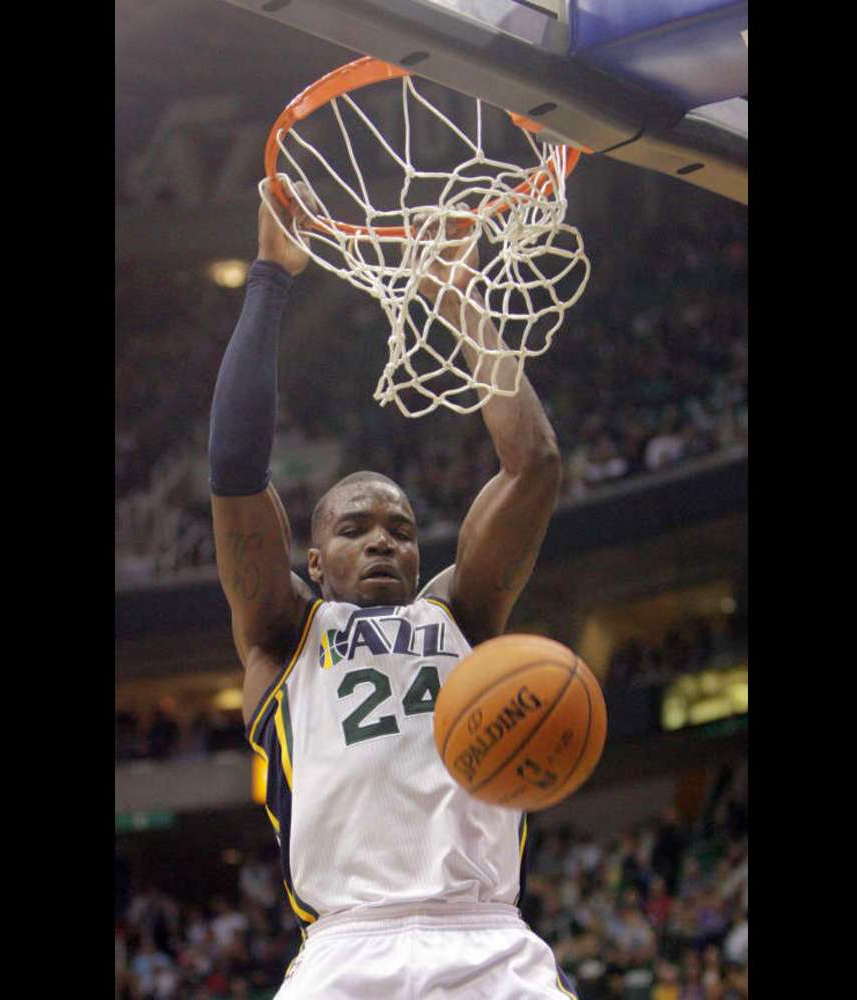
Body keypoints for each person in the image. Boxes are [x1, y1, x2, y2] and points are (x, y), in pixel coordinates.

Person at [207, 178, 574, 998]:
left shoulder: (460, 614)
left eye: (401, 529)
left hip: (487, 944)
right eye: (355, 528)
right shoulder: (283, 635)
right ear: (314, 560)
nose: (382, 539)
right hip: (347, 952)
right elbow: (234, 471)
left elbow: (535, 464)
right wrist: (270, 274)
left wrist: (457, 294)